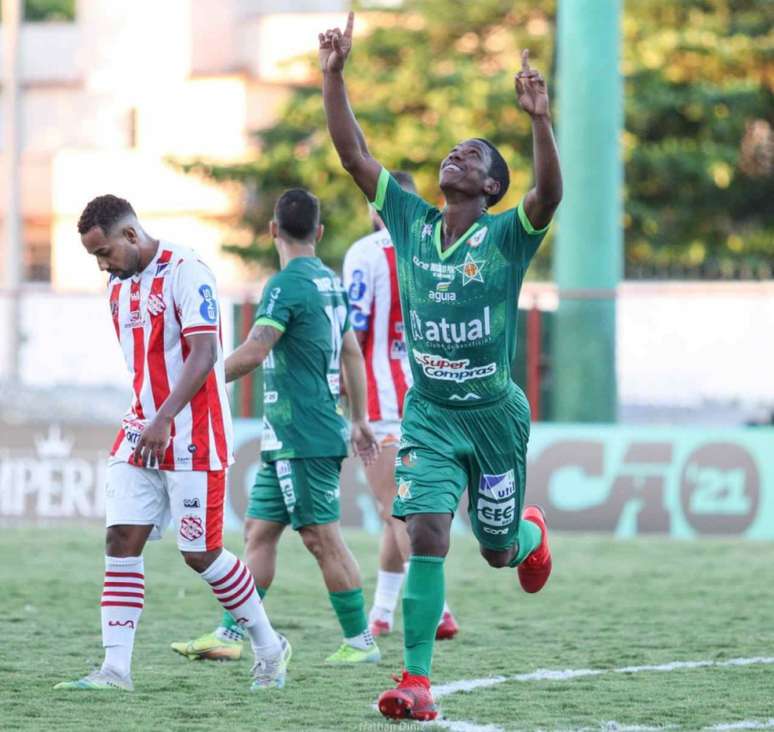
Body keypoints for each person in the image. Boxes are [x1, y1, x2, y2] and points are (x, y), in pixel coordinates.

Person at [320, 13, 562, 721]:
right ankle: (416, 681)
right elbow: (355, 156)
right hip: (427, 413)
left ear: (491, 186)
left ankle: (528, 534)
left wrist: (538, 120)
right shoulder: (411, 223)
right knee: (425, 529)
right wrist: (334, 77)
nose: (456, 157)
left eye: (472, 156)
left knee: (493, 550)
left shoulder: (505, 237)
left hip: (492, 418)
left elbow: (547, 196)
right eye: (453, 152)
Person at [56, 195, 289, 692]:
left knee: (200, 553)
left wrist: (165, 417)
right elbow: (144, 366)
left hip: (194, 432)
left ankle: (270, 647)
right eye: (94, 257)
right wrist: (150, 418)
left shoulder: (187, 270)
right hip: (142, 428)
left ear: (131, 235)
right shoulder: (117, 289)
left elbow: (205, 353)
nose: (102, 265)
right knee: (121, 540)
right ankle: (115, 669)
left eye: (105, 253)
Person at [170, 189, 382, 665]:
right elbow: (350, 350)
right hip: (290, 435)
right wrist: (361, 417)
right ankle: (230, 633)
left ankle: (360, 641)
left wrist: (194, 379)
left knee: (320, 538)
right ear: (320, 232)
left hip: (303, 434)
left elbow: (256, 349)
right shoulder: (329, 282)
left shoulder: (285, 285)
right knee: (259, 533)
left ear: (272, 231)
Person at [342, 174, 459, 641]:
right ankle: (383, 611)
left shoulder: (366, 252)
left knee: (396, 509)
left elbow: (355, 330)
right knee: (395, 509)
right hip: (430, 399)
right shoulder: (437, 249)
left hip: (380, 405)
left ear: (378, 208)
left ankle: (441, 610)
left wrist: (347, 400)